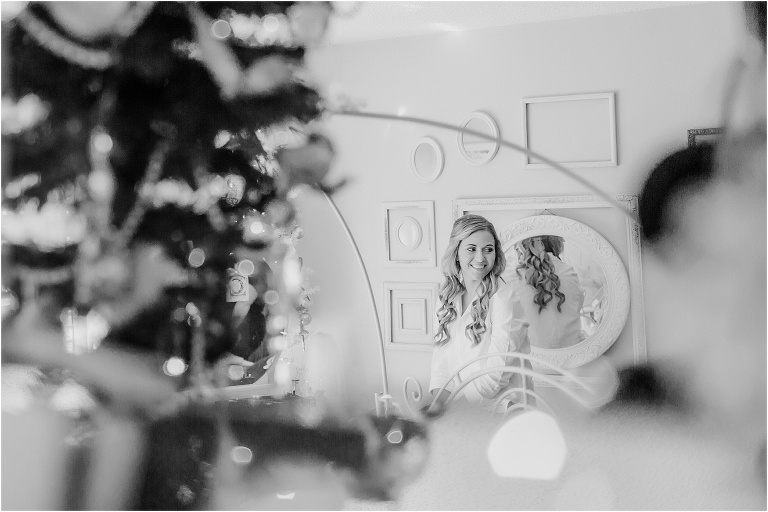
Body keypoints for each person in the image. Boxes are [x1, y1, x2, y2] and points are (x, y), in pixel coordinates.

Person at [428, 214, 531, 413]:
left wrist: (460, 410)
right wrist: (440, 407)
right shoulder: (447, 297)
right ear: (456, 252)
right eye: (471, 249)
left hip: (504, 412)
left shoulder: (504, 299)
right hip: (460, 410)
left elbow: (496, 377)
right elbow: (441, 364)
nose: (480, 258)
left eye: (488, 249)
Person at [510, 235, 586, 350]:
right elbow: (577, 307)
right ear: (556, 243)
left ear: (521, 247)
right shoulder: (570, 272)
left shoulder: (511, 276)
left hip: (531, 357)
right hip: (573, 352)